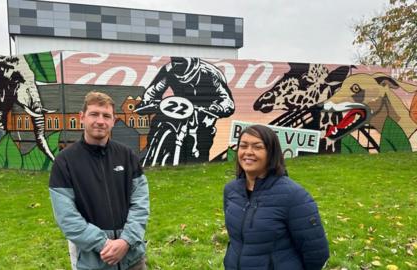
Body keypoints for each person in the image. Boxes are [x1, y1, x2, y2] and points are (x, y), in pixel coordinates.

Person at [49, 91, 150, 270]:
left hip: (132, 257)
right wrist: (104, 245)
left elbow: (141, 203)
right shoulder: (65, 162)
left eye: (106, 116)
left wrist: (126, 240)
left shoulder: (127, 156)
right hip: (93, 259)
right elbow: (66, 217)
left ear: (113, 120)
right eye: (94, 114)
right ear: (82, 117)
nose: (100, 121)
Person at [223, 124, 329, 269]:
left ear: (271, 153)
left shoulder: (294, 196)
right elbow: (236, 239)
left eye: (257, 147)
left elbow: (317, 253)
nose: (248, 152)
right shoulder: (231, 191)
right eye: (243, 146)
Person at [135, 57, 235, 164]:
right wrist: (146, 101)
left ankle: (199, 162)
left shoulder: (210, 73)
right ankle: (151, 154)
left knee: (203, 132)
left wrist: (217, 108)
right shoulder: (169, 69)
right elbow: (154, 89)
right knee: (158, 119)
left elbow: (227, 101)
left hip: (205, 110)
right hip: (180, 107)